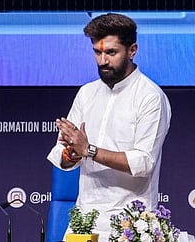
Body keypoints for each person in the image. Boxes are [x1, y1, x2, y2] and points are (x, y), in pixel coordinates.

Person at [47, 13, 171, 242]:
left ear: (132, 50)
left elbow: (143, 162)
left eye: (111, 52)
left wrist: (89, 150)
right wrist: (71, 153)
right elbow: (61, 155)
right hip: (83, 221)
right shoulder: (86, 94)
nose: (103, 60)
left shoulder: (150, 97)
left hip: (131, 225)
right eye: (97, 52)